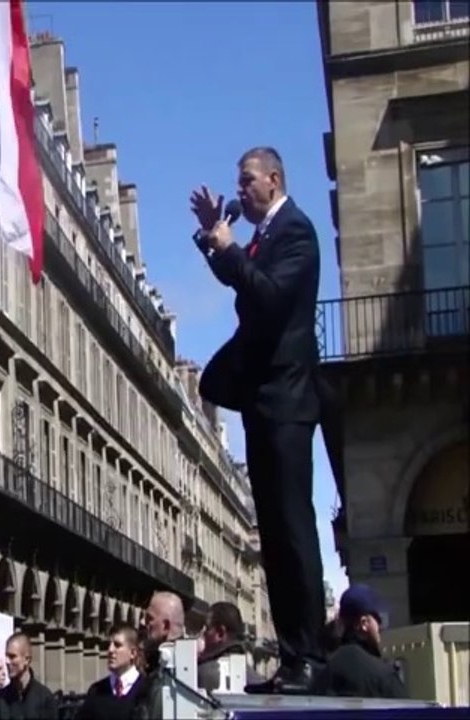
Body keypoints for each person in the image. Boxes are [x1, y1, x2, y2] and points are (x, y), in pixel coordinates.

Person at [191, 147, 326, 694]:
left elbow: (267, 298)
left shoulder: (296, 231)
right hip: (263, 399)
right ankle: (293, 658)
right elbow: (239, 280)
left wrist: (226, 247)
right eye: (239, 182)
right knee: (271, 533)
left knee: (293, 528)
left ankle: (310, 656)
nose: (241, 189)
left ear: (274, 180)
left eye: (248, 181)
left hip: (289, 399)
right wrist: (212, 238)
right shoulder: (267, 235)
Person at [315, 585, 407, 699]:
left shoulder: (323, 671)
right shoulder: (384, 675)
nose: (381, 627)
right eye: (379, 620)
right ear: (364, 623)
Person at [130, 591, 185, 720]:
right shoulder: (154, 664)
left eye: (149, 618)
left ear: (165, 626)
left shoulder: (169, 672)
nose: (142, 622)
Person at [75, 624, 146, 720]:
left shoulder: (147, 689)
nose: (110, 650)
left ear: (133, 653)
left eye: (117, 645)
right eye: (109, 644)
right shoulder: (96, 690)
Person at [196, 602, 262, 692]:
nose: (202, 634)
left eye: (207, 629)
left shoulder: (202, 674)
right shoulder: (258, 681)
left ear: (220, 633)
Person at [0, 632, 58, 718]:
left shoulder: (45, 699)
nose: (7, 661)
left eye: (12, 656)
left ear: (26, 659)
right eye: (6, 656)